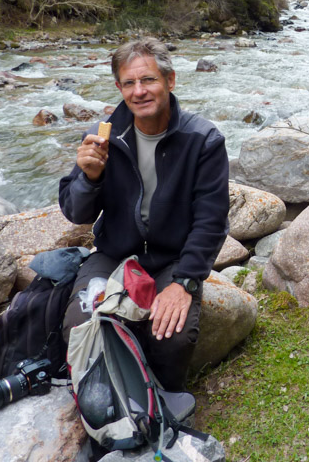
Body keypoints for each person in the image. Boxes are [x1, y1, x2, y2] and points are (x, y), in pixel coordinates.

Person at [59, 37, 229, 392]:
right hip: (114, 254)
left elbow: (211, 220)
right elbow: (76, 213)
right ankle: (106, 404)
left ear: (170, 80)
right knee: (81, 322)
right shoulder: (102, 137)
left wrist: (185, 282)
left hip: (172, 258)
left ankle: (164, 403)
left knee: (171, 335)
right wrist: (89, 179)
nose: (139, 91)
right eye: (129, 83)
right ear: (119, 87)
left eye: (148, 79)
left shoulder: (203, 140)